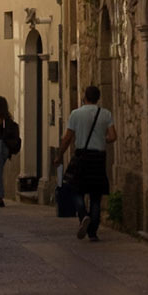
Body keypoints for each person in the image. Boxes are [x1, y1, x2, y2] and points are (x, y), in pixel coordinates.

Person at [60, 84, 115, 241]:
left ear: (84, 97)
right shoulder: (105, 114)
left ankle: (83, 215)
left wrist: (59, 155)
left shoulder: (76, 114)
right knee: (96, 195)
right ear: (98, 98)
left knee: (76, 189)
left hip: (82, 156)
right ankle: (93, 233)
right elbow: (113, 136)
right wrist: (102, 140)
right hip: (98, 158)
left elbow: (68, 137)